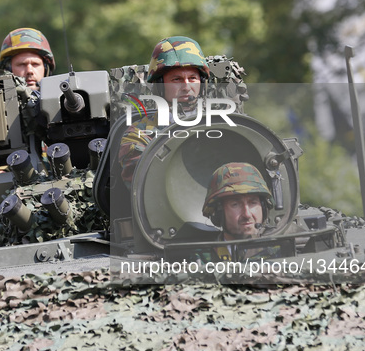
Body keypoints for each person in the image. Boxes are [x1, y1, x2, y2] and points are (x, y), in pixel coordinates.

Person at [118, 36, 210, 185]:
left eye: (193, 78)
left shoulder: (223, 123)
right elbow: (145, 188)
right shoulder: (138, 135)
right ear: (159, 86)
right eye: (177, 79)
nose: (187, 87)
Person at [201, 162, 276, 261]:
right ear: (218, 212)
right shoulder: (200, 258)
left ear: (263, 207)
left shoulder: (285, 245)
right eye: (235, 204)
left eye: (253, 203)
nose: (247, 214)